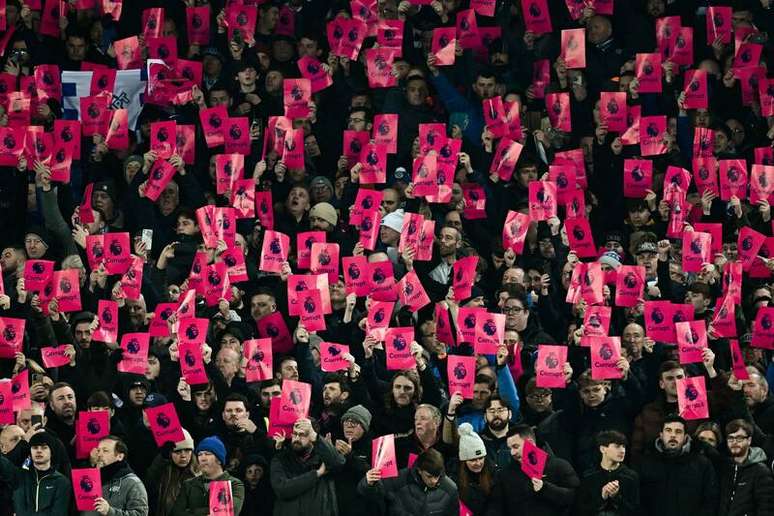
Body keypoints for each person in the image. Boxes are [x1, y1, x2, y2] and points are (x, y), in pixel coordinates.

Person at [486, 424, 579, 516]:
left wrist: (545, 488)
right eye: (510, 448)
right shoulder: (505, 474)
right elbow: (496, 505)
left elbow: (574, 498)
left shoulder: (559, 466)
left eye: (516, 447)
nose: (512, 452)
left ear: (530, 443)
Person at [637, 415, 718, 516]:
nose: (673, 435)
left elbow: (709, 502)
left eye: (678, 432)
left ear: (685, 437)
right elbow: (639, 501)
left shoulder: (702, 464)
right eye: (668, 430)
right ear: (661, 435)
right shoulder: (646, 463)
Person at [269, 418, 345, 516]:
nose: (296, 438)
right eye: (294, 434)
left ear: (312, 436)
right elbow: (282, 489)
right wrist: (316, 474)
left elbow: (338, 463)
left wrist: (319, 440)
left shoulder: (324, 458)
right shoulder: (280, 459)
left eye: (302, 435)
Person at [359, 448, 459, 516]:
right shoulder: (398, 479)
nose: (434, 481)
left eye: (437, 476)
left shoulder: (450, 488)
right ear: (419, 470)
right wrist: (368, 484)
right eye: (429, 476)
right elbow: (371, 496)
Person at [0, 430, 71, 516]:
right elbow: (4, 464)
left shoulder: (61, 482)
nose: (39, 451)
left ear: (51, 451)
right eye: (35, 447)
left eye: (44, 447)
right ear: (30, 451)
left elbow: (58, 513)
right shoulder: (20, 476)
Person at [171, 436, 245, 516]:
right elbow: (176, 513)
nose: (202, 459)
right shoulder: (188, 484)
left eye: (207, 454)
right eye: (200, 454)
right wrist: (211, 510)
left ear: (219, 460)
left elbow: (227, 513)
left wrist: (192, 511)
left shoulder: (234, 484)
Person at [575, 430, 640, 516]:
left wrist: (616, 496)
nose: (622, 451)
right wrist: (602, 497)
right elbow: (581, 510)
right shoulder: (588, 475)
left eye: (623, 446)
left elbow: (635, 511)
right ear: (603, 449)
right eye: (617, 446)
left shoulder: (630, 476)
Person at [718, 419, 774, 516]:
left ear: (749, 440)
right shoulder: (725, 468)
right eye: (730, 438)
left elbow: (766, 508)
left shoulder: (761, 471)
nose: (734, 442)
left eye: (739, 438)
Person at [90, 436, 149, 516]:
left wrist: (110, 511)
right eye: (98, 450)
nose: (99, 454)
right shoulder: (90, 480)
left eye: (105, 451)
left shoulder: (132, 483)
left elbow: (140, 514)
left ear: (120, 456)